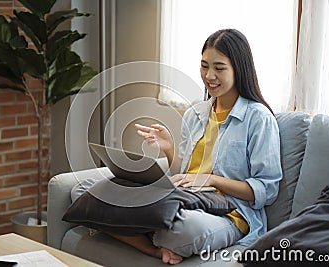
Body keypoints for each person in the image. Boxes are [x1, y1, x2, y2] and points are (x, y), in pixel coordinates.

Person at [111, 29, 283, 264]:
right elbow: (185, 175)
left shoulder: (258, 118)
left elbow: (267, 190)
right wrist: (169, 149)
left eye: (219, 68)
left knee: (184, 228)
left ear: (239, 69)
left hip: (229, 214)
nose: (209, 76)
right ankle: (153, 248)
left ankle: (140, 229)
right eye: (204, 66)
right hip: (187, 200)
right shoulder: (196, 112)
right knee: (88, 191)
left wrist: (212, 180)